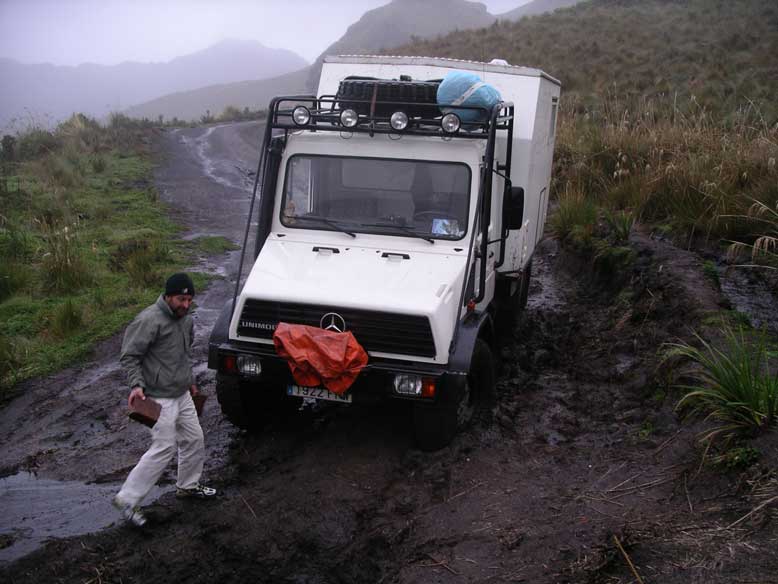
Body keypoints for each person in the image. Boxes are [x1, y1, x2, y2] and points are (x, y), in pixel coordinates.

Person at [113, 272, 216, 526]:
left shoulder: (186, 320)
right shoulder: (148, 320)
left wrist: (190, 382)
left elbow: (182, 355)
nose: (185, 304)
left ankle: (188, 486)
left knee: (194, 438)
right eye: (181, 299)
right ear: (168, 296)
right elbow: (129, 356)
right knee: (165, 446)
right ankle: (127, 500)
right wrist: (136, 386)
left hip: (182, 394)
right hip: (159, 399)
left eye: (189, 299)